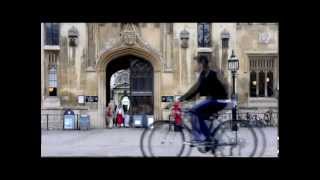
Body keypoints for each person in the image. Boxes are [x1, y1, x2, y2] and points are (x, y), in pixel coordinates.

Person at [177, 56, 228, 143]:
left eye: (197, 63)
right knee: (196, 114)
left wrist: (182, 98)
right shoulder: (203, 75)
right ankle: (206, 139)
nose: (196, 66)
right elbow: (195, 89)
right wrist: (182, 98)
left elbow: (196, 88)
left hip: (218, 101)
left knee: (193, 111)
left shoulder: (211, 74)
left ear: (202, 64)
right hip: (213, 101)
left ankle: (206, 138)